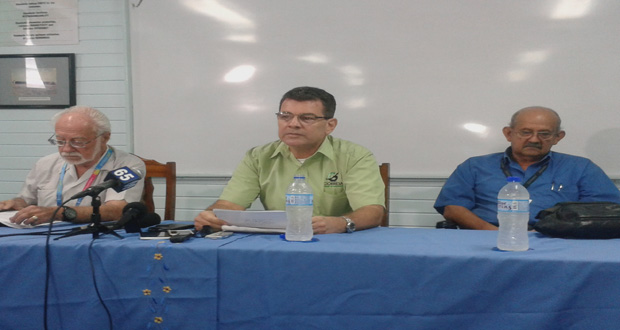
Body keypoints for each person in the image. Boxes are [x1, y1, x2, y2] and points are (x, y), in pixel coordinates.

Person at [194, 86, 385, 234]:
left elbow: (372, 211)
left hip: (337, 241)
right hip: (278, 243)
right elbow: (231, 204)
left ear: (330, 125)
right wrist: (213, 216)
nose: (293, 124)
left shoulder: (355, 156)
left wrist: (341, 223)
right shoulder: (258, 157)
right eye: (285, 116)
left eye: (307, 118)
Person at [434, 106, 620, 230]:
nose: (534, 139)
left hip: (559, 242)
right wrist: (493, 232)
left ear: (558, 137)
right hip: (484, 238)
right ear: (509, 133)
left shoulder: (581, 168)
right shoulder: (475, 166)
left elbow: (607, 210)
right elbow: (453, 208)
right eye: (526, 132)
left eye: (544, 134)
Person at [0, 106, 146, 225]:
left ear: (105, 137)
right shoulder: (45, 164)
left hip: (96, 238)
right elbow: (26, 201)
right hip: (41, 236)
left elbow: (117, 210)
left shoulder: (127, 165)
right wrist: (16, 204)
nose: (66, 149)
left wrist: (58, 213)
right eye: (60, 141)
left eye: (78, 142)